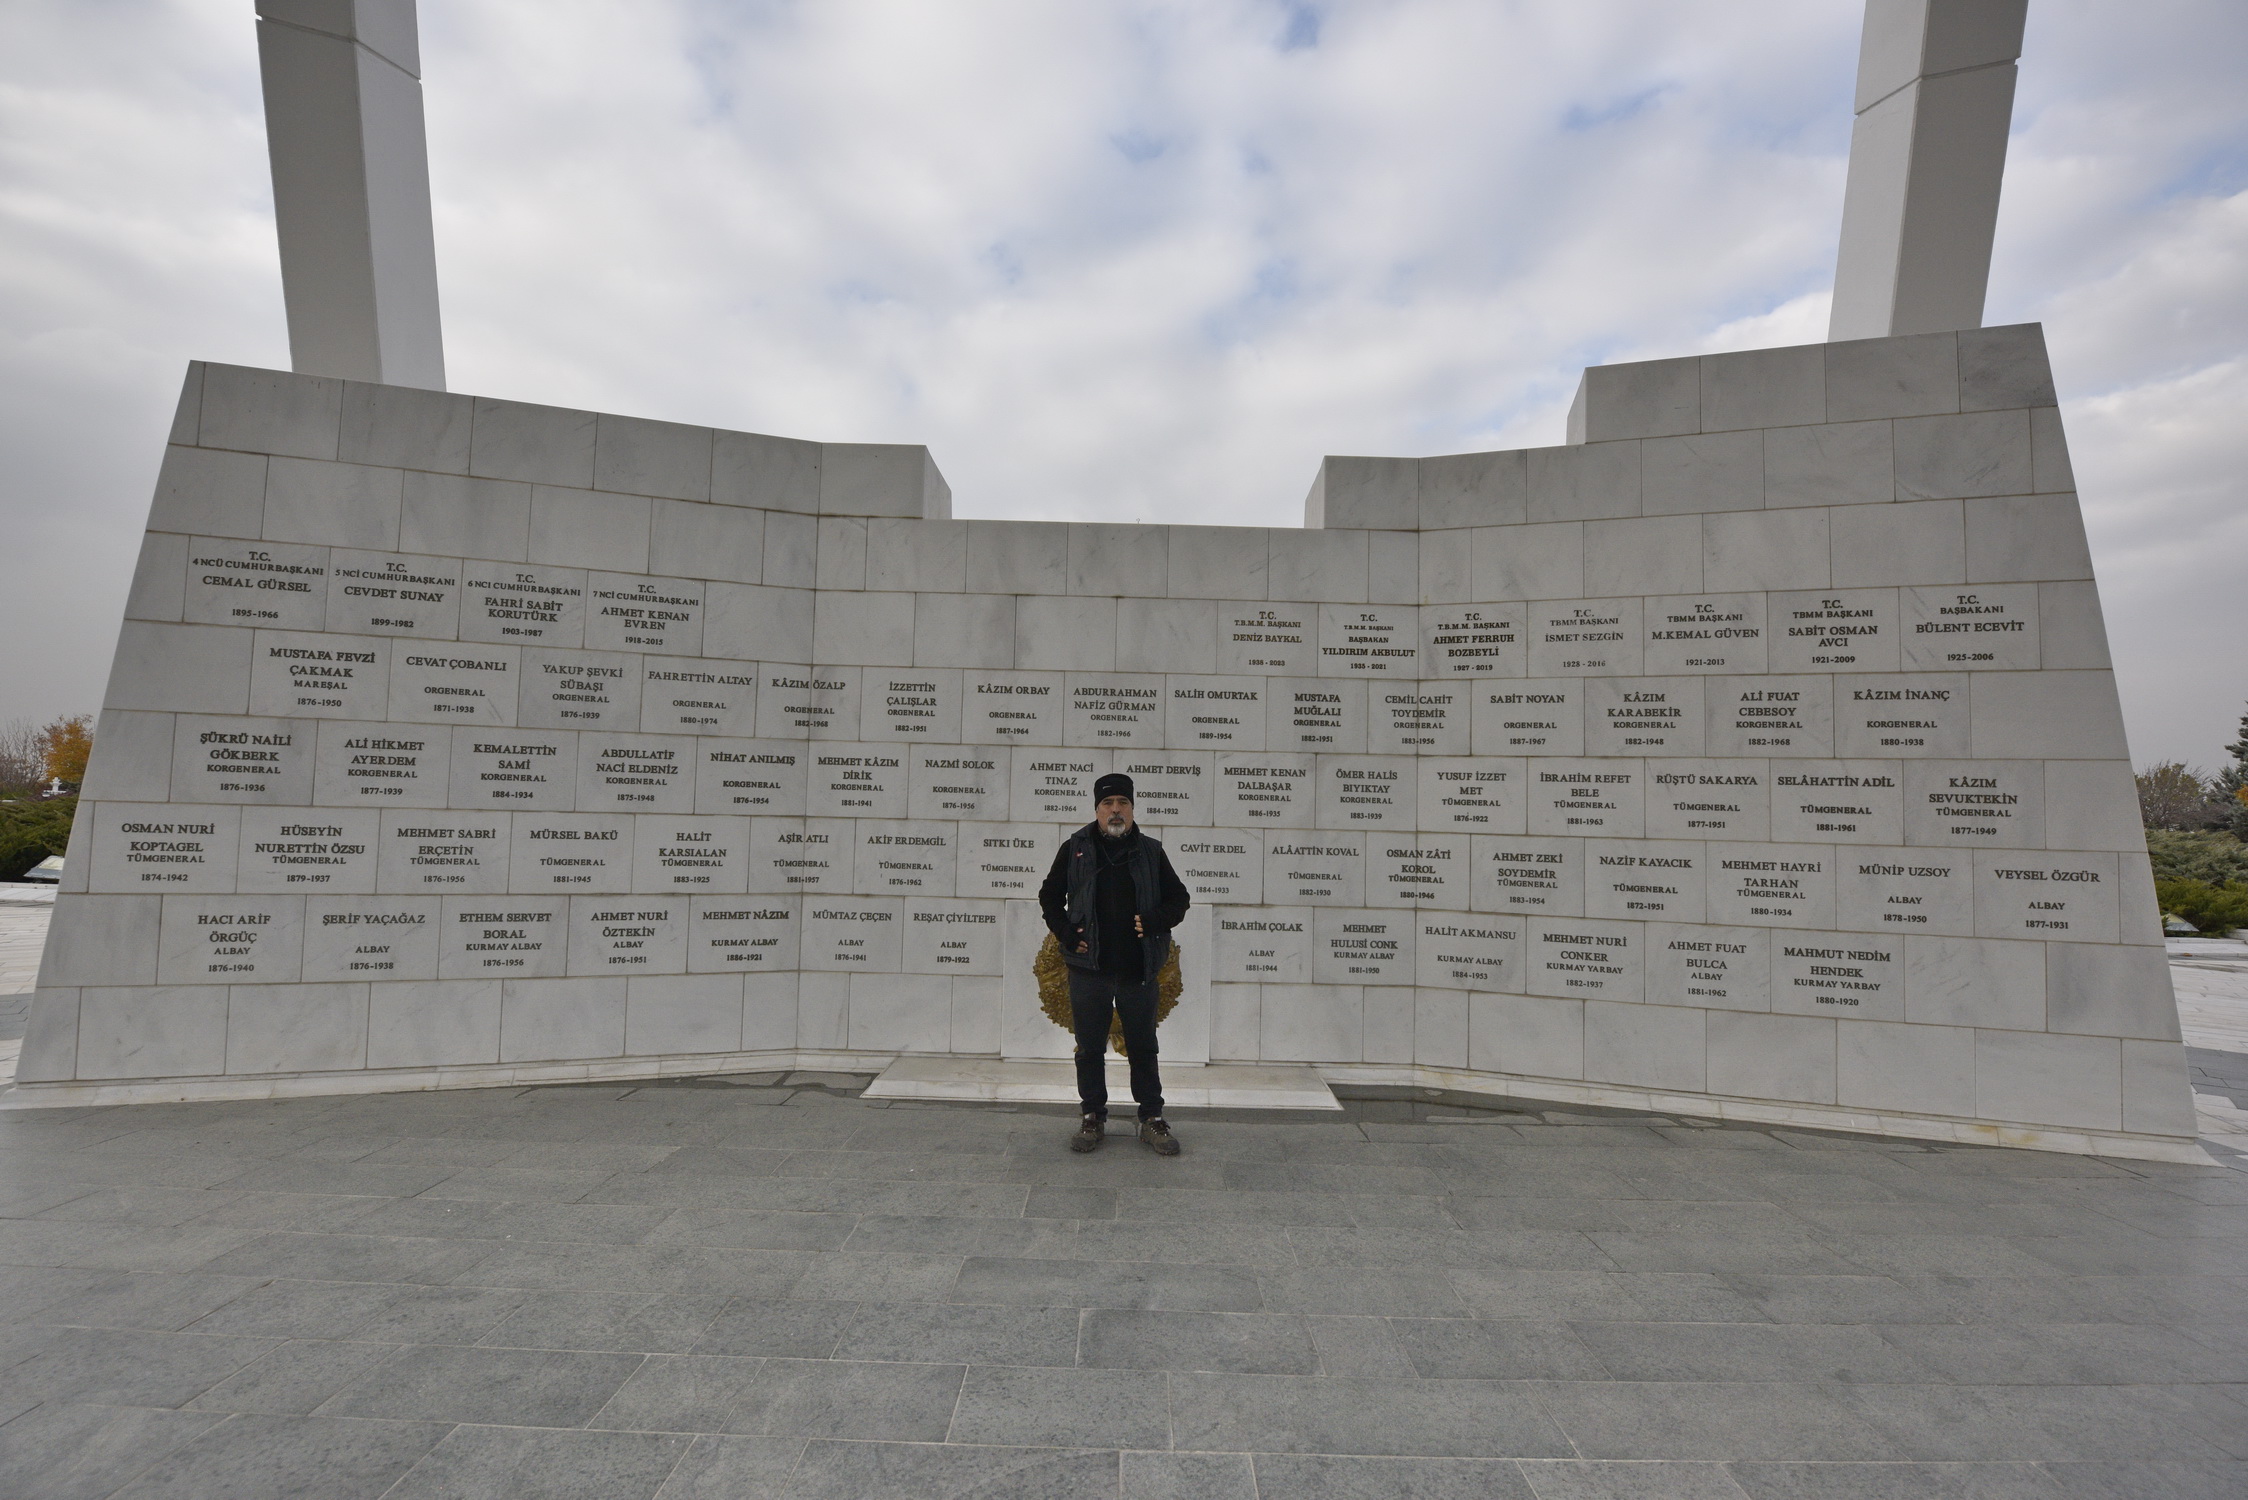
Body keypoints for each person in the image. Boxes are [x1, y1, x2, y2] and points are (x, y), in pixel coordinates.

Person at [1038, 771, 1192, 1155]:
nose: (1116, 810)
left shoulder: (1151, 851)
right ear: (1097, 809)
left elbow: (1180, 899)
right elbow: (1049, 896)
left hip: (1138, 969)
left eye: (1122, 802)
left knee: (1144, 1045)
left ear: (1133, 808)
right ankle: (1092, 1115)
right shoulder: (1075, 847)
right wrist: (1068, 933)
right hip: (1088, 969)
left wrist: (1155, 920)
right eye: (1108, 804)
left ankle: (1151, 1117)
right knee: (1089, 1047)